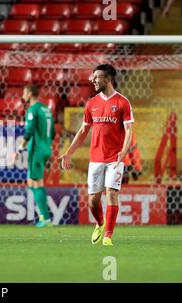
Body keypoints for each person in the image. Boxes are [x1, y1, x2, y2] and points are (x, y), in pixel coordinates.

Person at [59, 64, 134, 246]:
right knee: (93, 200)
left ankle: (108, 235)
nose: (92, 80)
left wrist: (123, 152)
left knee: (112, 194)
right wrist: (68, 153)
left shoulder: (123, 102)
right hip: (96, 158)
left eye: (97, 77)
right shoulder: (91, 103)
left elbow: (129, 129)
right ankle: (100, 223)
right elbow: (83, 131)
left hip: (115, 158)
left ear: (108, 79)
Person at [13, 84, 55, 227]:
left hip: (36, 150)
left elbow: (29, 131)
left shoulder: (33, 110)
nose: (23, 94)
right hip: (45, 148)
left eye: (24, 91)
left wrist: (18, 150)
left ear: (30, 93)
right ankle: (44, 216)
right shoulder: (47, 110)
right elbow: (53, 133)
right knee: (31, 182)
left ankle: (45, 218)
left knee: (36, 182)